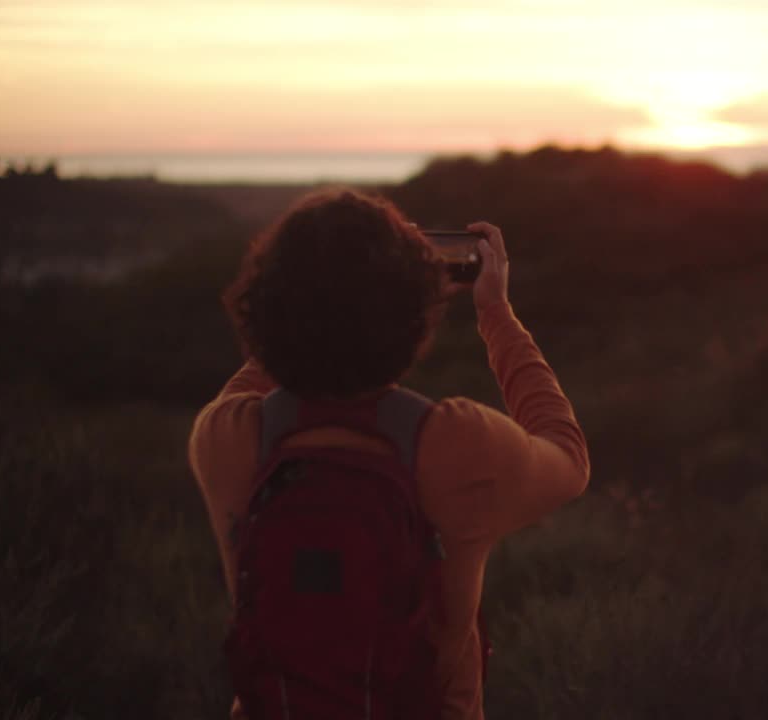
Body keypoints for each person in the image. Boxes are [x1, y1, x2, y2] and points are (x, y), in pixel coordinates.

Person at [187, 188, 590, 719]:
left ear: (265, 302)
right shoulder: (457, 444)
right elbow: (566, 452)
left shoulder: (227, 436)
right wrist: (496, 314)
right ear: (416, 317)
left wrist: (311, 300)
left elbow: (271, 360)